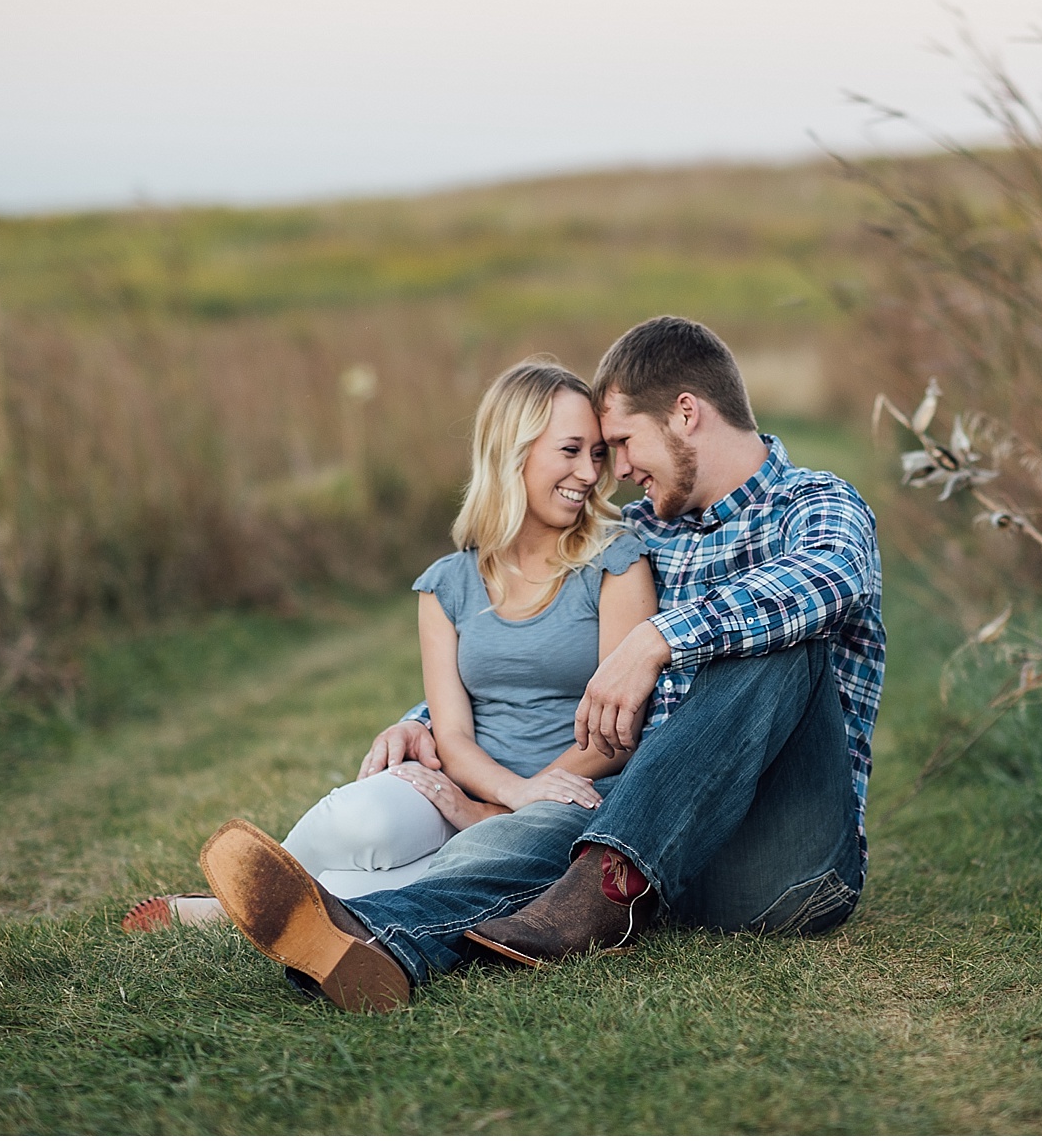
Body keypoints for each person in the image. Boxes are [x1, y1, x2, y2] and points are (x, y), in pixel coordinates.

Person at [199, 316, 884, 1012]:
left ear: (686, 413)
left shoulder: (815, 505)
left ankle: (598, 886)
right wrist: (427, 721)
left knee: (779, 638)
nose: (612, 472)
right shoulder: (643, 532)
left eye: (619, 443)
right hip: (658, 847)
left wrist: (656, 641)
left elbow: (830, 577)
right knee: (535, 832)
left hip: (784, 859)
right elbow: (545, 637)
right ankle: (378, 940)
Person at [126, 358, 656, 943]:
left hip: (568, 798)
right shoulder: (446, 585)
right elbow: (451, 735)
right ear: (514, 451)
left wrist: (515, 809)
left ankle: (231, 915)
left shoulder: (616, 562)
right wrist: (500, 793)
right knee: (360, 817)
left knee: (435, 875)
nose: (589, 472)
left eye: (598, 454)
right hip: (470, 783)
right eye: (571, 450)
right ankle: (249, 895)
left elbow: (616, 728)